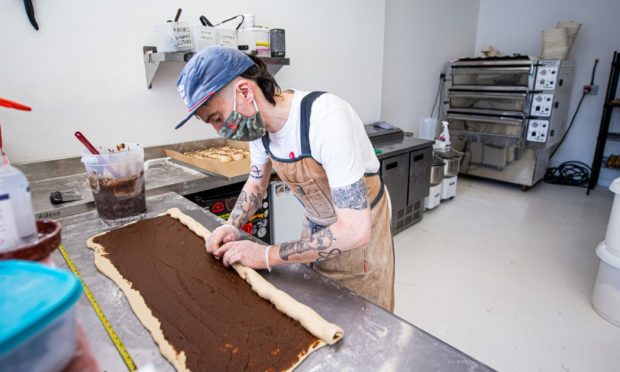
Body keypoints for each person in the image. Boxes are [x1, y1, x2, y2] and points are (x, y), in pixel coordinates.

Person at [174, 46, 395, 311]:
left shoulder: (325, 119)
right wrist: (233, 225)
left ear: (245, 92)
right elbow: (257, 182)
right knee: (317, 309)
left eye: (218, 118)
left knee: (361, 321)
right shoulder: (258, 129)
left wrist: (266, 254)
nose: (219, 129)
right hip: (315, 226)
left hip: (361, 239)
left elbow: (355, 230)